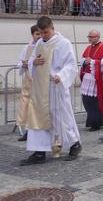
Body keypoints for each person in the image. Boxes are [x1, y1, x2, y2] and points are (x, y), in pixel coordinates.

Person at [20, 16, 81, 165]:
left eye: (46, 32)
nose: (43, 35)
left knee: (61, 118)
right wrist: (32, 62)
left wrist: (60, 76)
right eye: (41, 33)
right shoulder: (39, 43)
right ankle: (39, 151)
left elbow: (71, 65)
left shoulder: (63, 43)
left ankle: (74, 144)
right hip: (40, 88)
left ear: (53, 28)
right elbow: (32, 61)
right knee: (37, 117)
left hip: (55, 86)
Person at [79, 30, 103, 132]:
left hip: (97, 79)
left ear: (98, 37)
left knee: (95, 101)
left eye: (92, 37)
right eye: (88, 37)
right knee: (86, 99)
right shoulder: (88, 48)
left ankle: (97, 123)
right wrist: (85, 61)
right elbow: (83, 59)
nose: (89, 39)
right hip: (87, 78)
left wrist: (93, 62)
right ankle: (91, 121)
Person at [15, 25, 42, 142]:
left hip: (39, 81)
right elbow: (19, 62)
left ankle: (37, 130)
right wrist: (24, 64)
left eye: (40, 34)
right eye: (37, 34)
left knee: (37, 108)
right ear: (32, 35)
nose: (39, 36)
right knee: (26, 107)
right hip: (28, 82)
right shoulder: (27, 47)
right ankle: (27, 130)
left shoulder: (44, 46)